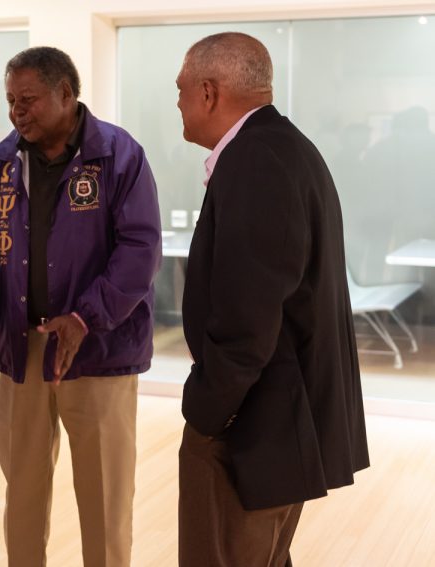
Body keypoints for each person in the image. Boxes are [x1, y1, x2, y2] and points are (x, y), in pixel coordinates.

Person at [0, 46, 161, 566]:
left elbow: (140, 250)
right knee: (22, 492)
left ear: (67, 94)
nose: (16, 112)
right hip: (21, 353)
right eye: (10, 101)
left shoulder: (119, 155)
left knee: (105, 500)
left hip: (98, 352)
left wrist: (85, 317)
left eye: (28, 100)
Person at [174, 32, 370, 567]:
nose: (178, 104)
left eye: (182, 90)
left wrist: (208, 412)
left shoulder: (256, 159)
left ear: (209, 93)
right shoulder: (285, 147)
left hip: (253, 428)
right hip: (277, 418)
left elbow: (248, 314)